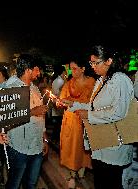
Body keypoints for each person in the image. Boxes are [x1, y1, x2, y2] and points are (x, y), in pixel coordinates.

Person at [66, 45, 134, 189]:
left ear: (109, 61)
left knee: (111, 183)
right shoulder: (101, 80)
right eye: (91, 63)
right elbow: (94, 107)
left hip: (114, 146)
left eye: (96, 62)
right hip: (100, 143)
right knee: (101, 183)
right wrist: (75, 105)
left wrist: (89, 115)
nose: (93, 66)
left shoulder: (120, 80)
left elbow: (118, 112)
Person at [3, 54, 48, 189]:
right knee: (14, 184)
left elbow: (41, 117)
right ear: (28, 69)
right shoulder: (11, 88)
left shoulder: (34, 88)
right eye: (36, 70)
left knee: (31, 183)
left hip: (36, 145)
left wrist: (44, 138)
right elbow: (7, 117)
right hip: (19, 147)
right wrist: (33, 112)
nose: (39, 73)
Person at [59, 56, 95, 188]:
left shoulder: (92, 82)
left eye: (74, 69)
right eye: (70, 69)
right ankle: (72, 175)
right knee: (71, 147)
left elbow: (94, 103)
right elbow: (62, 99)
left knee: (84, 148)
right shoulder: (69, 83)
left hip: (86, 120)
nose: (72, 72)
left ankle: (82, 170)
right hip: (71, 120)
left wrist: (76, 103)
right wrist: (61, 102)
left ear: (83, 69)